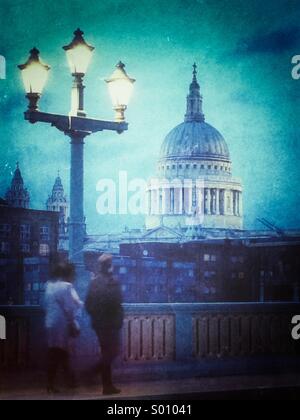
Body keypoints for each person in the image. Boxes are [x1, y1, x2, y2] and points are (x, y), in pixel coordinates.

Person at [85, 254, 124, 395]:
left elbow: (88, 304)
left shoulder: (94, 282)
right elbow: (117, 302)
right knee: (112, 352)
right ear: (109, 266)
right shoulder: (114, 282)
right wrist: (118, 319)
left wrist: (96, 317)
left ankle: (107, 386)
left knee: (106, 353)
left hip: (99, 324)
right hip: (111, 323)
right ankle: (92, 373)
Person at [44, 261, 83, 394]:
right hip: (61, 323)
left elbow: (43, 304)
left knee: (55, 351)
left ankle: (58, 381)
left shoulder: (49, 285)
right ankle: (68, 380)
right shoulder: (67, 286)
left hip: (50, 322)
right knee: (60, 351)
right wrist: (73, 322)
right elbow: (70, 307)